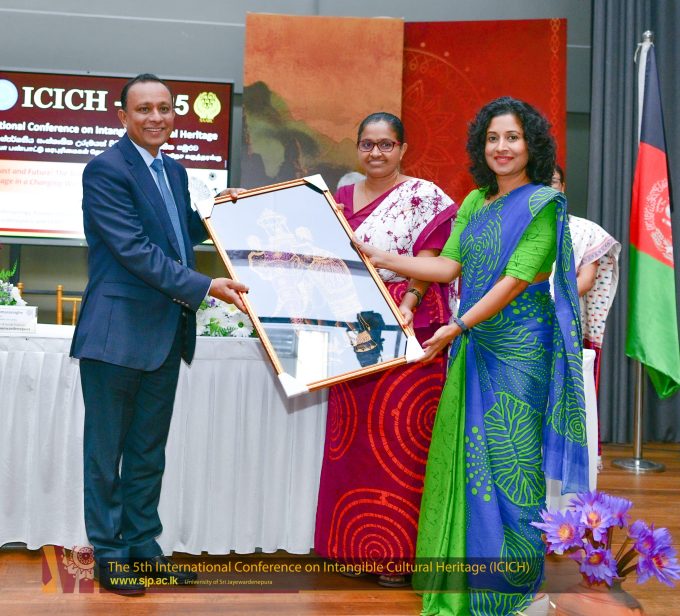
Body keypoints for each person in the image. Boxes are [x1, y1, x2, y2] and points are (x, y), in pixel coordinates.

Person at [354, 98, 589, 614]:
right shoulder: (475, 202)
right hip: (474, 343)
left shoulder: (544, 204)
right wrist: (382, 257)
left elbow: (515, 280)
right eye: (492, 138)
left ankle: (512, 593)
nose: (501, 148)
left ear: (532, 145)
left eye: (512, 137)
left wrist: (458, 324)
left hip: (519, 350)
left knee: (512, 464)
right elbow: (449, 266)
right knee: (466, 462)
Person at [70, 74, 248, 595]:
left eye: (164, 108)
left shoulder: (173, 169)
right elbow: (133, 249)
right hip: (116, 335)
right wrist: (205, 286)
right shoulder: (106, 170)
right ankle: (110, 555)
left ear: (174, 114)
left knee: (148, 452)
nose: (156, 117)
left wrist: (219, 212)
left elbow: (175, 233)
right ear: (122, 116)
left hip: (165, 333)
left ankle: (143, 546)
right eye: (144, 109)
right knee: (106, 454)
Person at [314, 112, 458, 587]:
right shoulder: (337, 199)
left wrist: (408, 304)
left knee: (400, 436)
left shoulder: (423, 197)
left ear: (402, 149)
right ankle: (348, 547)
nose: (376, 153)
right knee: (351, 439)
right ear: (357, 148)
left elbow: (431, 262)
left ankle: (395, 556)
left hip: (408, 324)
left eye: (386, 144)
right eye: (367, 144)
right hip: (352, 325)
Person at [551, 165, 620, 470]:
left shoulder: (585, 230)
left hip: (563, 319)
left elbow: (586, 280)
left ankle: (570, 460)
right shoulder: (517, 226)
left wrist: (548, 301)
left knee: (565, 392)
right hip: (519, 322)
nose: (547, 188)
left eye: (553, 182)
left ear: (563, 187)